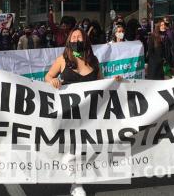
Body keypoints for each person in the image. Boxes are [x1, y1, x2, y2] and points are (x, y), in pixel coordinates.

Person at [44, 28, 121, 196]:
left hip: (89, 114)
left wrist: (114, 82)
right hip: (68, 112)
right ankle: (75, 182)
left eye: (79, 36)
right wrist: (53, 80)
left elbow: (101, 84)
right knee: (72, 146)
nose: (76, 39)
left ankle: (77, 180)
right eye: (73, 36)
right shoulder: (62, 60)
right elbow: (48, 76)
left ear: (85, 40)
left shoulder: (93, 61)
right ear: (68, 41)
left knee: (84, 147)